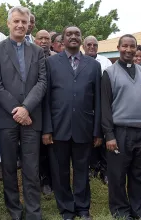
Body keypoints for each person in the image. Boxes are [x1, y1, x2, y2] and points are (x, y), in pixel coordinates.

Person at [0, 6, 47, 220]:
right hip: (6, 118)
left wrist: (26, 109)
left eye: (24, 21)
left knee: (32, 169)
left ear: (29, 23)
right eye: (16, 21)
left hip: (32, 118)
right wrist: (16, 110)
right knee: (9, 168)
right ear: (8, 24)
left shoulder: (38, 51)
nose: (21, 25)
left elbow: (42, 82)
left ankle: (33, 212)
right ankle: (14, 210)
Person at [43, 26, 102, 220]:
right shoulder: (51, 63)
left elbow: (98, 100)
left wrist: (97, 131)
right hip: (58, 127)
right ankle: (66, 209)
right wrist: (47, 128)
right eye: (69, 34)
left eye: (77, 34)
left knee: (82, 171)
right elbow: (47, 98)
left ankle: (83, 208)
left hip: (84, 127)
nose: (73, 37)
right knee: (60, 172)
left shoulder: (93, 65)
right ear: (62, 39)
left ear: (81, 39)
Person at [102, 34, 141, 220]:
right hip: (119, 131)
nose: (128, 50)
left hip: (140, 131)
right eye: (125, 46)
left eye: (132, 46)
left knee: (139, 174)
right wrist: (109, 135)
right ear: (118, 47)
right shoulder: (109, 73)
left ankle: (138, 211)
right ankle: (120, 211)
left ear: (136, 49)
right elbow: (105, 106)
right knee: (117, 175)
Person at [83, 35, 112, 184]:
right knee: (88, 138)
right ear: (83, 46)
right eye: (89, 44)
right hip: (86, 105)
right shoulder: (79, 61)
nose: (92, 47)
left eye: (95, 45)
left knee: (104, 136)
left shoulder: (105, 61)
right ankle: (91, 167)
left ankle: (105, 169)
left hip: (102, 103)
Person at [33, 29, 55, 196]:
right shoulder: (31, 57)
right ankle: (43, 180)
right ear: (35, 40)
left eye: (47, 38)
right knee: (40, 149)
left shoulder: (57, 58)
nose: (44, 41)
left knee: (53, 149)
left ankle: (55, 179)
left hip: (55, 110)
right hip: (36, 109)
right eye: (40, 38)